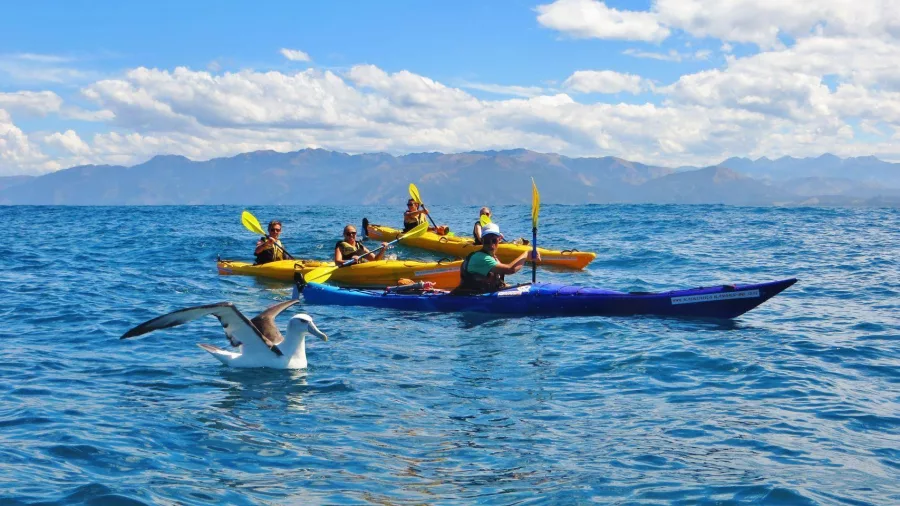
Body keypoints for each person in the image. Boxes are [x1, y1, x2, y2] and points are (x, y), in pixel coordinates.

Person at [453, 223, 540, 294]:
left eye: (494, 240)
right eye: (487, 241)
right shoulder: (481, 258)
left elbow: (498, 283)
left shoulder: (493, 258)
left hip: (481, 295)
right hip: (467, 298)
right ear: (482, 241)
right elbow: (510, 269)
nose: (491, 244)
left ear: (499, 239)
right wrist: (526, 254)